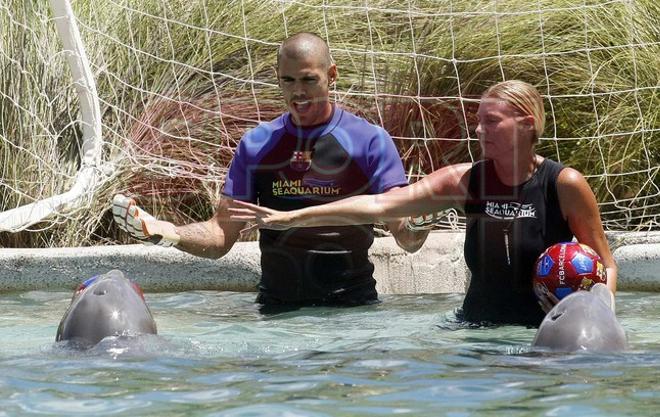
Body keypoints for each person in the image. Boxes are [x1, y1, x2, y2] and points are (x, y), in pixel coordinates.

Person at [229, 80, 618, 326]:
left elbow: (606, 264)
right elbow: (380, 206)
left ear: (528, 122)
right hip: (477, 333)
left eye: (493, 121)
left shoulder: (563, 184)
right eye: (478, 120)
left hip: (545, 333)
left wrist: (600, 318)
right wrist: (291, 216)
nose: (479, 129)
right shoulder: (465, 182)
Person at [113, 32, 428, 310]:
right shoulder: (258, 144)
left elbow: (406, 237)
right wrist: (168, 232)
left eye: (308, 80)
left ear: (332, 75)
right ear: (276, 76)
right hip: (278, 312)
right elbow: (221, 235)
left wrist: (420, 222)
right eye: (287, 81)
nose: (298, 93)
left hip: (352, 308)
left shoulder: (369, 141)